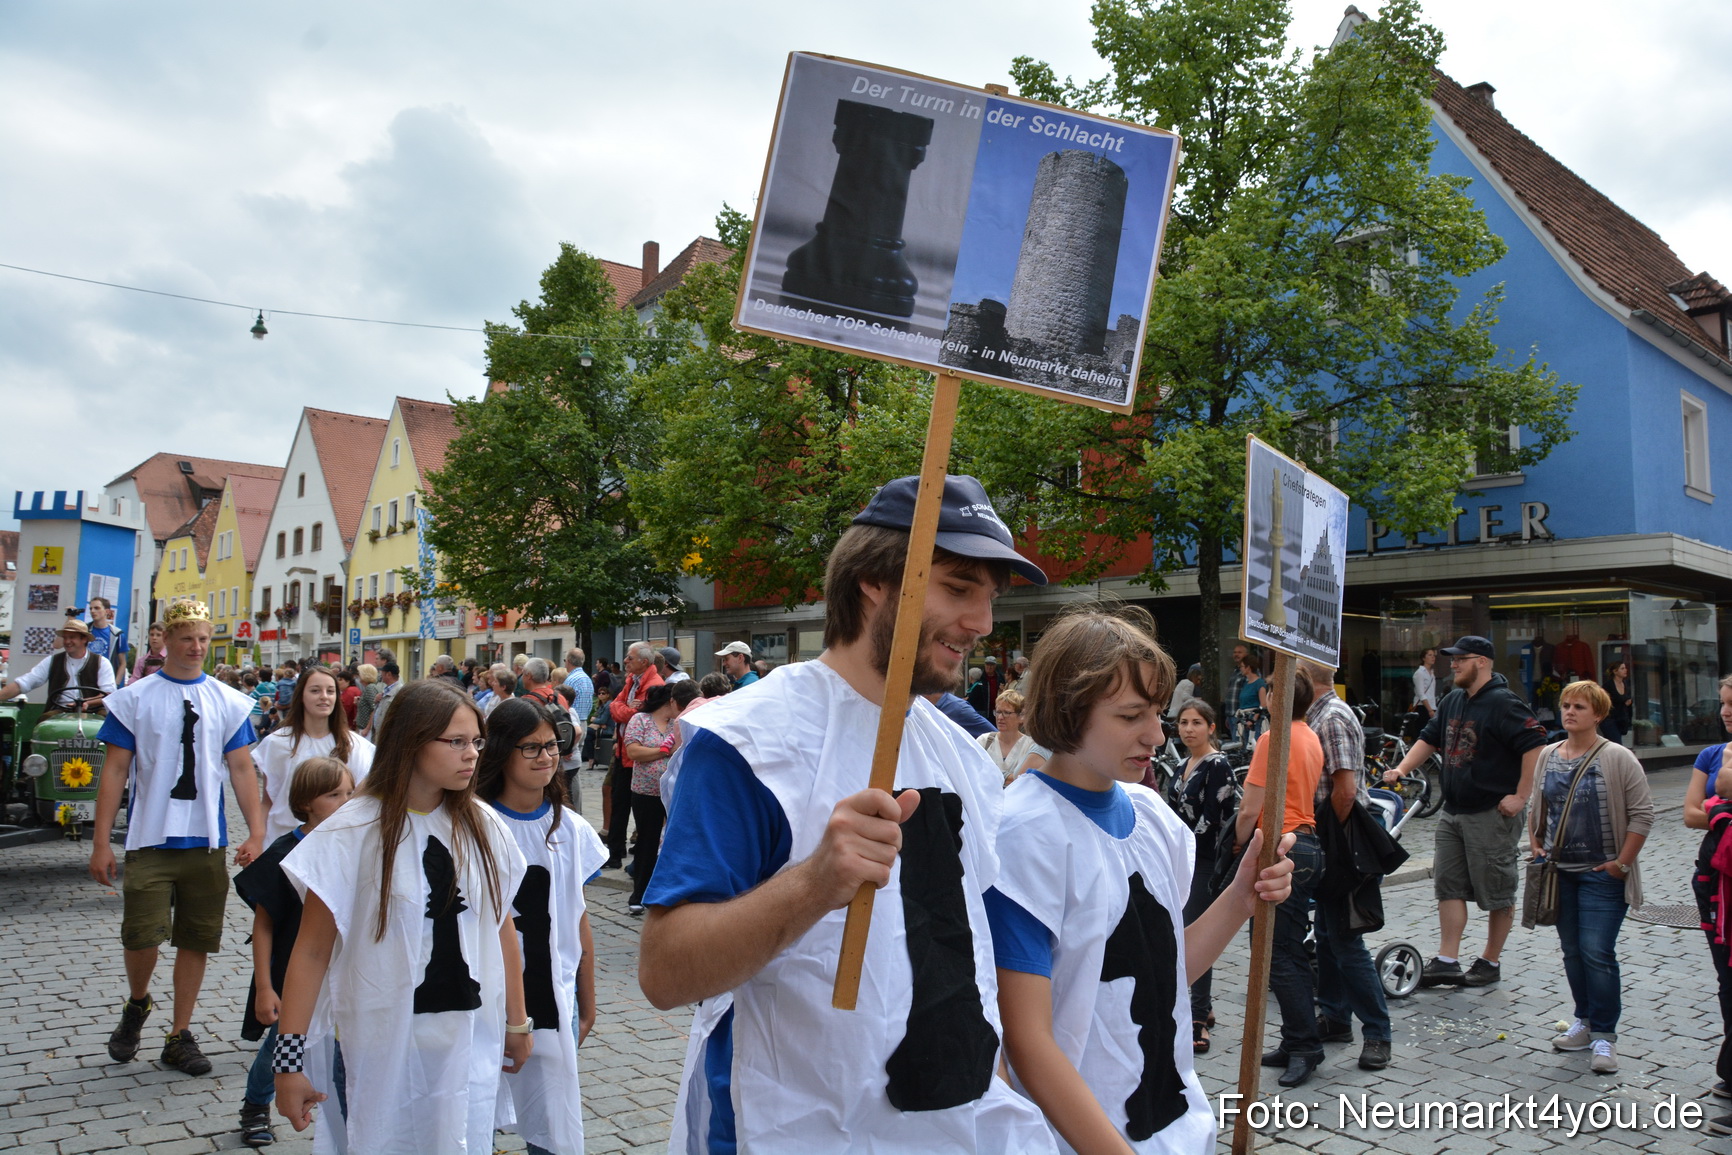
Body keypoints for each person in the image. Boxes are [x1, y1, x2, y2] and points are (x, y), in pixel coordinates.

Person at [638, 474, 1057, 1153]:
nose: (983, 622)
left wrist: (1000, 1099)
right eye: (959, 588)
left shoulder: (964, 756)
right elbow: (665, 972)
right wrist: (814, 882)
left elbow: (970, 964)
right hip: (792, 1130)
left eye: (991, 598)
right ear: (874, 580)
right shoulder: (749, 742)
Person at [987, 608, 1296, 1152]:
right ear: (1068, 709)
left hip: (1178, 1128)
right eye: (1132, 716)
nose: (1157, 734)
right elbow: (1027, 1042)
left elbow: (1164, 973)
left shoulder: (1153, 816)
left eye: (1157, 712)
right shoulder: (1022, 836)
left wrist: (1240, 897)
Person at [272, 680, 531, 1151]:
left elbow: (500, 929)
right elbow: (310, 952)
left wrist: (517, 1022)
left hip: (466, 1041)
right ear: (411, 741)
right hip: (381, 1046)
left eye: (477, 741)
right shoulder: (350, 831)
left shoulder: (484, 826)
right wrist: (288, 1063)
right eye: (456, 741)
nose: (472, 754)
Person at [89, 599, 267, 1076]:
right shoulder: (135, 698)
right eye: (187, 638)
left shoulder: (227, 700)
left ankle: (179, 1033)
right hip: (150, 837)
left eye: (203, 638)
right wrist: (101, 841)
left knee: (196, 938)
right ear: (165, 640)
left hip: (204, 841)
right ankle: (138, 1001)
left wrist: (256, 830)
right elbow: (116, 770)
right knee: (142, 936)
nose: (196, 647)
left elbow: (241, 768)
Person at [477, 698, 608, 1155]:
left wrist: (586, 1005)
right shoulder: (474, 823)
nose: (546, 757)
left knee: (552, 1125)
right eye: (530, 748)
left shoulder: (570, 828)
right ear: (500, 751)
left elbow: (577, 919)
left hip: (554, 998)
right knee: (475, 1118)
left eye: (552, 745)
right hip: (486, 1001)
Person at [1386, 635, 1547, 989]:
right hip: (1454, 811)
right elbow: (1429, 738)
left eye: (1461, 659)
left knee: (1497, 889)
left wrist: (1521, 796)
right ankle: (1447, 960)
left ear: (1482, 662)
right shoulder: (1453, 699)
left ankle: (1490, 961)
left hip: (1492, 812)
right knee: (1448, 886)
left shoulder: (1505, 703)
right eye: (1453, 659)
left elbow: (1535, 746)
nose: (1454, 664)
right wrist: (1401, 768)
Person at [1526, 680, 1652, 1075]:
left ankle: (1604, 1036)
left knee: (1597, 951)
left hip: (1602, 874)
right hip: (1559, 873)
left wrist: (1621, 864)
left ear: (1598, 714)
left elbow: (1642, 815)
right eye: (1566, 705)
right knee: (1573, 951)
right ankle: (1583, 1021)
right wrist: (1536, 844)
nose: (1569, 712)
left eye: (1579, 706)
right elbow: (1537, 805)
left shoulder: (1617, 757)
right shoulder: (1548, 754)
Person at [232, 756, 355, 1148]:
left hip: (342, 972)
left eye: (350, 793)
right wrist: (265, 987)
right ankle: (256, 1104)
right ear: (305, 802)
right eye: (333, 795)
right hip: (293, 975)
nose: (345, 802)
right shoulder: (285, 853)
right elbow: (264, 924)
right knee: (281, 1046)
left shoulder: (355, 845)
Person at [1235, 672, 1325, 1088]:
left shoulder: (1274, 738)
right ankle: (1296, 1040)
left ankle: (1305, 1045)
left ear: (1275, 697)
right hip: (1306, 843)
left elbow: (1250, 808)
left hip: (1281, 846)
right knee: (1286, 950)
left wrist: (1238, 844)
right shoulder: (1311, 736)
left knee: (1276, 954)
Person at [1302, 658, 1392, 1072]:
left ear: (1306, 679)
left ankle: (1378, 1032)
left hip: (1341, 838)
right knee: (1327, 934)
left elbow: (1345, 791)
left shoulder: (1332, 718)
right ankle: (1336, 1018)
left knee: (1345, 939)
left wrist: (1331, 841)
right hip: (1333, 835)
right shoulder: (1321, 714)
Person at [1171, 699, 1237, 1054]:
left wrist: (1180, 847)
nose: (1188, 729)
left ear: (1211, 727)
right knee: (1182, 931)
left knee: (1197, 934)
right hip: (1181, 859)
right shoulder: (1182, 764)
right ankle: (1203, 1007)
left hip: (1205, 859)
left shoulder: (1218, 765)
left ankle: (1197, 1016)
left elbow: (1210, 818)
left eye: (1196, 722)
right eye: (1184, 722)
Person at [251, 666, 376, 844]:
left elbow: (361, 801)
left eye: (330, 691)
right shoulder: (277, 743)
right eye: (315, 690)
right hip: (285, 840)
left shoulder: (355, 745)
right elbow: (268, 801)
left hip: (336, 841)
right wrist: (256, 838)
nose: (324, 696)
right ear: (301, 695)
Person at [622, 683, 683, 916]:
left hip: (673, 792)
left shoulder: (677, 723)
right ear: (670, 701)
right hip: (646, 792)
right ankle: (639, 894)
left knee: (671, 842)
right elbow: (634, 752)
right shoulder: (641, 720)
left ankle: (667, 892)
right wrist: (664, 751)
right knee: (647, 842)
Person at [604, 642, 662, 871]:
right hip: (624, 752)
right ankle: (616, 851)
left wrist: (626, 711)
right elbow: (614, 707)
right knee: (619, 803)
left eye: (630, 657)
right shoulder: (632, 680)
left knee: (635, 808)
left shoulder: (654, 684)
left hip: (638, 757)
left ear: (644, 662)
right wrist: (627, 709)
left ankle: (630, 855)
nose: (625, 661)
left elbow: (638, 716)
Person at [0, 617, 117, 712]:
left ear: (84, 639)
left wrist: (87, 703)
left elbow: (108, 694)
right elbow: (25, 683)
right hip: (59, 711)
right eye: (65, 638)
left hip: (94, 712)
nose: (67, 641)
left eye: (72, 637)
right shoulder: (52, 661)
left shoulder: (102, 662)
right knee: (43, 726)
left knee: (106, 727)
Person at [979, 688, 1042, 785]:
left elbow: (1027, 781)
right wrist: (1010, 777)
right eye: (998, 712)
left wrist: (991, 774)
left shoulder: (1030, 746)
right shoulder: (984, 741)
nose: (1000, 717)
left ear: (1021, 716)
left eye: (1007, 713)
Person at [86, 596, 126, 678]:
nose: (92, 611)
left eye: (97, 608)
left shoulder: (117, 634)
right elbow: (59, 645)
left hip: (106, 677)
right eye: (90, 608)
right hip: (86, 676)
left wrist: (116, 683)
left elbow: (122, 663)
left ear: (107, 611)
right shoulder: (84, 629)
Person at [1601, 660, 1633, 742]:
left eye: (1625, 668)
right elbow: (1602, 702)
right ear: (1615, 671)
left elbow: (1628, 699)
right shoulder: (1608, 686)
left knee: (1613, 744)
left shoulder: (1626, 684)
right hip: (1609, 719)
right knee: (1617, 743)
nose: (1625, 670)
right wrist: (1623, 703)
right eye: (1622, 668)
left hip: (1621, 720)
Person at [367, 661, 402, 737]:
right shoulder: (386, 689)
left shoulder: (400, 691)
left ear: (388, 674)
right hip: (379, 733)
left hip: (388, 734)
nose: (380, 675)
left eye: (382, 673)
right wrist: (376, 701)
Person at [354, 663, 382, 733]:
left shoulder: (370, 688)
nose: (358, 676)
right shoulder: (369, 687)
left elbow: (374, 708)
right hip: (364, 727)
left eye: (359, 673)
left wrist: (367, 728)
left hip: (366, 729)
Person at [1412, 647, 1439, 720]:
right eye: (1430, 655)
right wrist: (1430, 710)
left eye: (1433, 655)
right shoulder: (1419, 673)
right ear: (1423, 658)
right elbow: (1421, 694)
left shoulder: (1432, 673)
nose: (1433, 657)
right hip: (1422, 706)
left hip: (1432, 706)